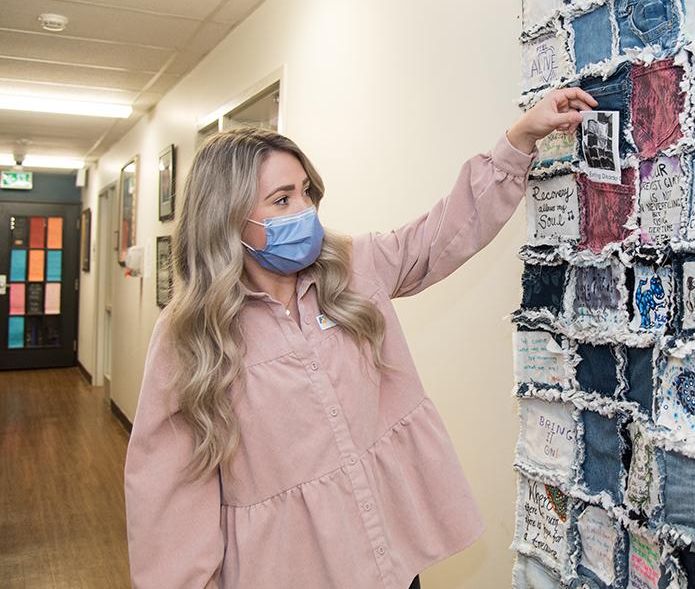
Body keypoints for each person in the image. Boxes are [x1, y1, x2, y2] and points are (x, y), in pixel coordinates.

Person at [123, 86, 597, 588]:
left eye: (306, 192)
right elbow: (167, 493)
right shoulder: (190, 335)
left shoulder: (352, 268)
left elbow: (442, 233)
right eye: (282, 200)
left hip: (385, 559)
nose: (305, 211)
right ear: (227, 220)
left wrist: (518, 139)